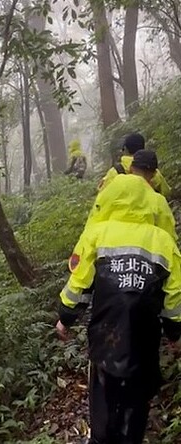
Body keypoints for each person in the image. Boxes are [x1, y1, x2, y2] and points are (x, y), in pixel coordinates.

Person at [55, 171, 181, 443]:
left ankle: (101, 437)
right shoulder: (164, 242)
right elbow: (175, 296)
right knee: (138, 394)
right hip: (144, 337)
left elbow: (80, 283)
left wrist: (65, 317)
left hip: (105, 333)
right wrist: (174, 334)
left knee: (103, 390)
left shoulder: (97, 234)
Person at [87, 150, 177, 240]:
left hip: (109, 243)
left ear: (130, 169)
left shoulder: (113, 188)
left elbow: (96, 217)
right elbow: (169, 237)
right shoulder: (159, 201)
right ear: (154, 174)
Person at [98, 132, 171, 197]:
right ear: (143, 148)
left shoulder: (115, 172)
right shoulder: (153, 172)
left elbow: (102, 196)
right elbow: (166, 193)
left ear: (125, 149)